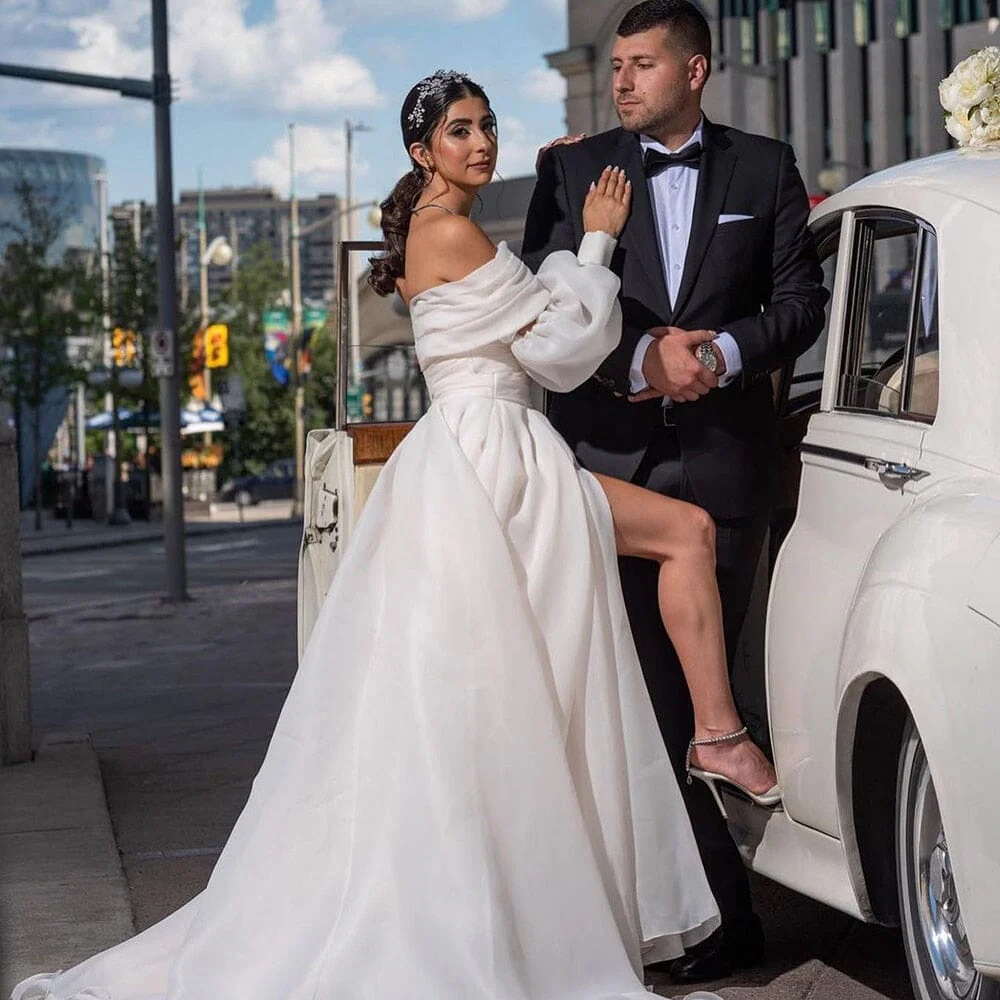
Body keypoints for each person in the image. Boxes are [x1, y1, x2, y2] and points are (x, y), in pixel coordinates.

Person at [14, 70, 750, 1000]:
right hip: (498, 461)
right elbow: (560, 352)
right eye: (458, 131)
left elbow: (535, 325)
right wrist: (597, 236)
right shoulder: (447, 230)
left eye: (486, 126)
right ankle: (708, 748)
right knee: (538, 673)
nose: (479, 143)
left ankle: (551, 888)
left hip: (481, 458)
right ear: (421, 151)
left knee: (505, 698)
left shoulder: (435, 228)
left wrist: (568, 227)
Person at [522, 0, 829, 984]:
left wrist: (726, 352)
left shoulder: (762, 166)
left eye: (642, 64)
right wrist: (644, 359)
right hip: (610, 469)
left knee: (713, 699)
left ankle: (734, 893)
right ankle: (720, 923)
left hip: (723, 466)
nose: (621, 81)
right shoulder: (568, 170)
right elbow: (540, 302)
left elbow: (800, 304)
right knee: (649, 709)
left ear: (694, 71)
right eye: (615, 63)